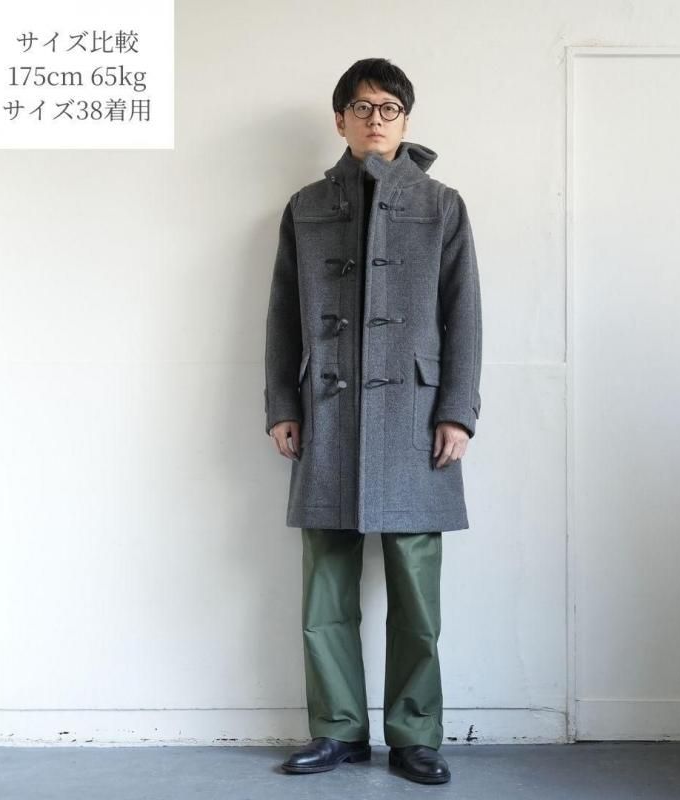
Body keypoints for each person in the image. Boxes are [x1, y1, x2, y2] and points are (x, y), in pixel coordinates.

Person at [263, 57, 482, 785]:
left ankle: (415, 735)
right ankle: (337, 732)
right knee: (325, 589)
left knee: (416, 594)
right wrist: (283, 405)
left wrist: (457, 412)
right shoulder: (305, 207)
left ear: (405, 119)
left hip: (415, 420)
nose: (375, 118)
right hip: (327, 415)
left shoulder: (442, 205)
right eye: (362, 107)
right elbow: (282, 316)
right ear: (341, 120)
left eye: (389, 107)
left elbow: (465, 315)